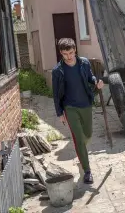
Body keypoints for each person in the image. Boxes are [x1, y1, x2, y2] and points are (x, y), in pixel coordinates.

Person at [51, 38, 104, 184]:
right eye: (65, 54)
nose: (69, 56)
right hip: (70, 107)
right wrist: (60, 113)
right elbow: (56, 94)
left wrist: (95, 82)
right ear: (61, 53)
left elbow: (90, 77)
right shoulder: (58, 71)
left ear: (75, 50)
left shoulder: (84, 63)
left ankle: (82, 153)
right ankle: (87, 171)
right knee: (79, 138)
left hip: (85, 104)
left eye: (71, 52)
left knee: (88, 134)